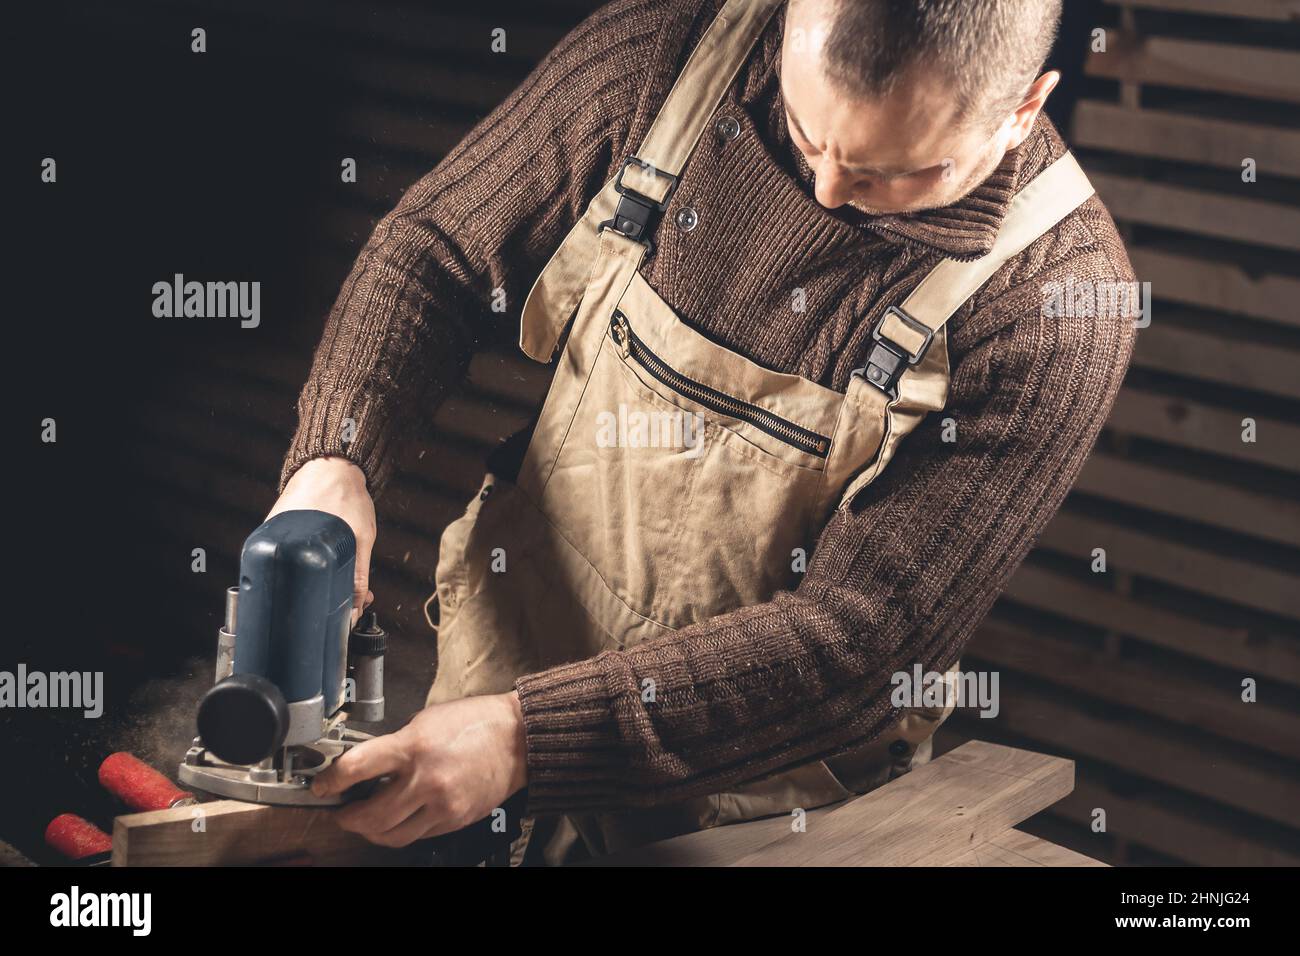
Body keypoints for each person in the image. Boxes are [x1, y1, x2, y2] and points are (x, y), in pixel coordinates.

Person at [269, 0, 1135, 862]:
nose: (827, 190)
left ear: (1025, 106)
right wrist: (335, 462)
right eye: (802, 131)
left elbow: (864, 640)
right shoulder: (664, 55)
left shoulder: (1057, 303)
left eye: (891, 173)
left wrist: (527, 738)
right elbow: (437, 251)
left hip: (761, 812)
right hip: (495, 698)